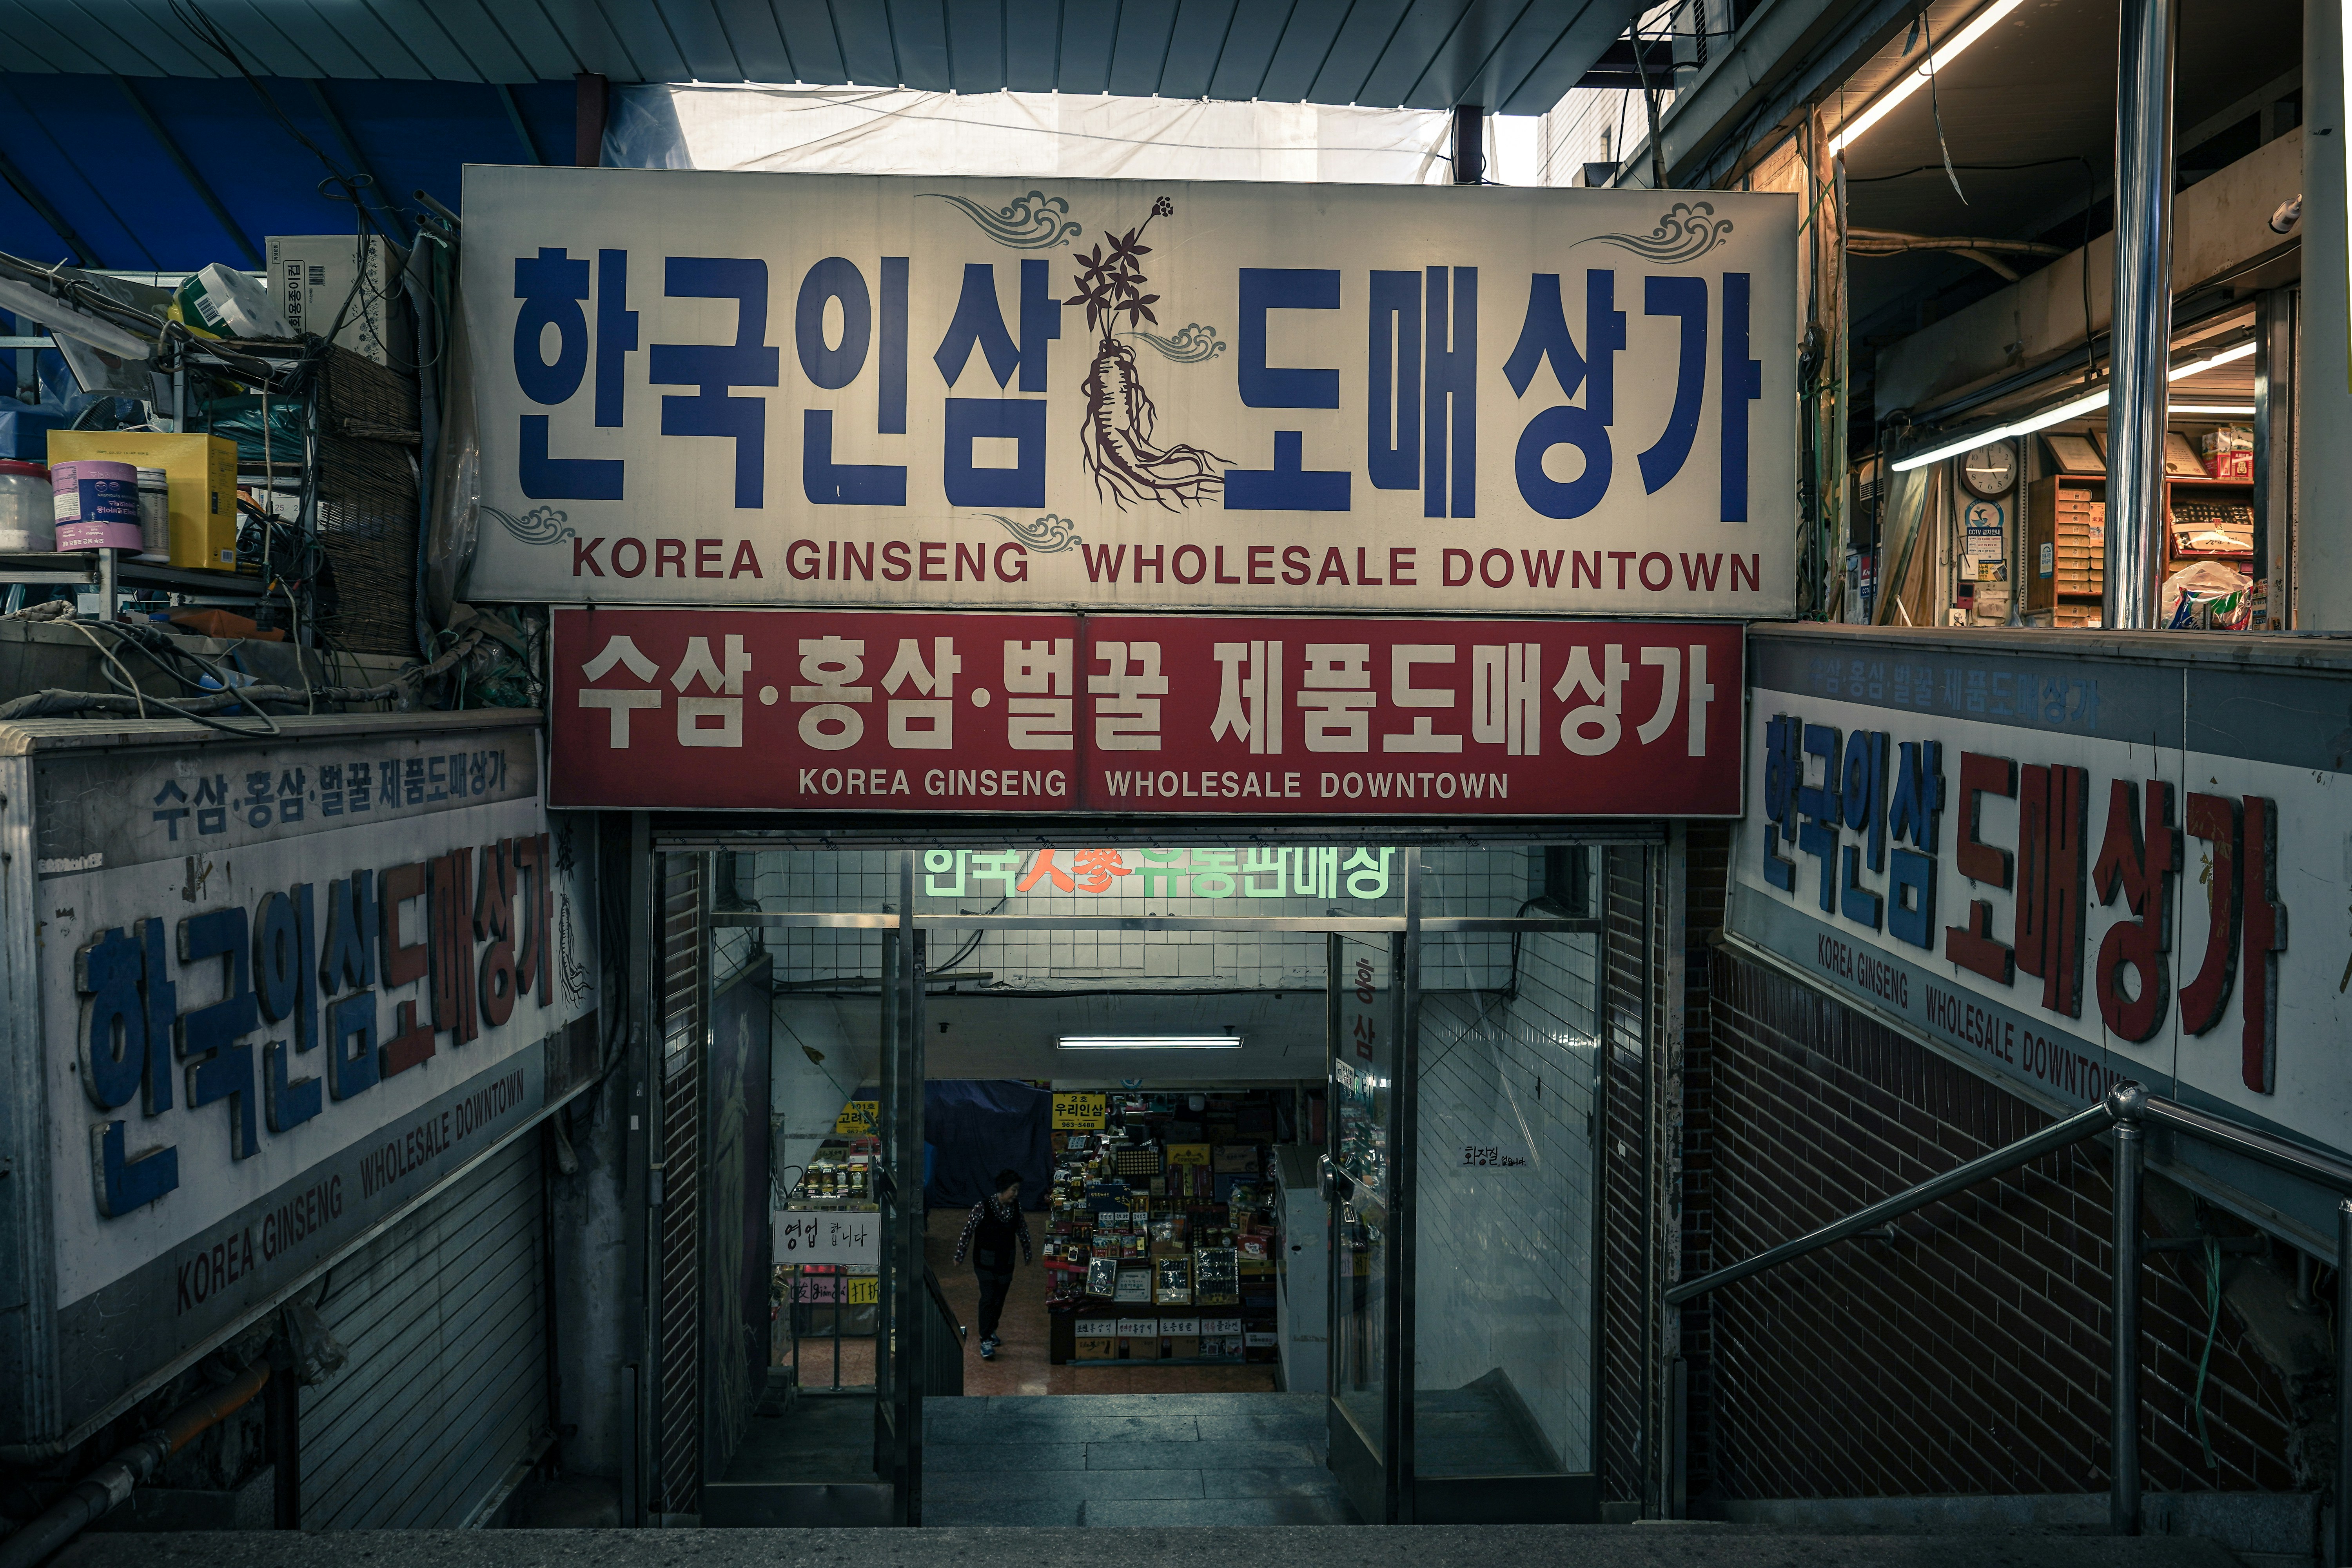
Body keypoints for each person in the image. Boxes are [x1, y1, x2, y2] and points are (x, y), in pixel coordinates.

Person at [951, 1169, 1031, 1359]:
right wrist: (959, 1255)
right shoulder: (982, 1207)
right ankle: (985, 1339)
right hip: (985, 1263)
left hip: (1006, 1263)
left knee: (999, 1299)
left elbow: (1023, 1231)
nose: (1016, 1194)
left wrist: (1028, 1253)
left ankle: (992, 1329)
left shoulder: (1016, 1208)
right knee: (988, 1297)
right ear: (1004, 1189)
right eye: (1014, 1189)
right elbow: (968, 1232)